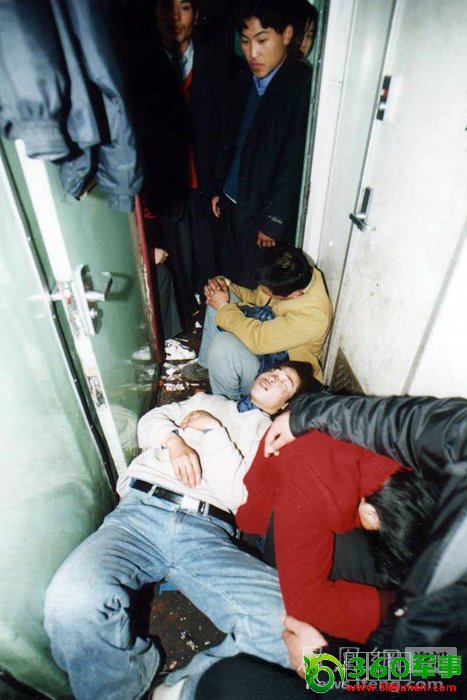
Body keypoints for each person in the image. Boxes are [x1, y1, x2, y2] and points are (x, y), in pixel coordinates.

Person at [44, 361, 317, 700]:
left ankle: (183, 688)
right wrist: (174, 441)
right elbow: (150, 421)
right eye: (275, 370)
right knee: (70, 601)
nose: (274, 376)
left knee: (289, 622)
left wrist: (214, 432)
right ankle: (124, 687)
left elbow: (239, 496)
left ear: (286, 404)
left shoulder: (273, 438)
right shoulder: (207, 401)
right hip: (139, 513)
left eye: (286, 382)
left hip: (205, 530)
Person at [193, 394, 460, 699]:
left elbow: (441, 670)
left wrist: (329, 667)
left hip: (420, 666)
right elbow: (406, 421)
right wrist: (305, 415)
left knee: (227, 682)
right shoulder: (320, 470)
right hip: (285, 511)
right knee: (228, 679)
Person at [133, 0, 232, 322]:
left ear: (197, 15)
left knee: (209, 253)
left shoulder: (218, 61)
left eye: (185, 7)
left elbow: (228, 127)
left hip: (208, 180)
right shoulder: (140, 63)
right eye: (166, 6)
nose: (174, 17)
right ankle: (186, 319)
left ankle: (213, 316)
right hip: (165, 184)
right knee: (176, 257)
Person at [211, 0, 313, 286]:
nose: (252, 53)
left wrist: (274, 220)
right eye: (245, 41)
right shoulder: (245, 76)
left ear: (287, 35)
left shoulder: (301, 84)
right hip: (231, 200)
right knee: (226, 274)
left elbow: (294, 161)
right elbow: (231, 138)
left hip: (261, 214)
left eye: (262, 40)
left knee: (255, 283)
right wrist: (219, 187)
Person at [182, 246, 332, 399]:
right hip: (267, 345)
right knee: (219, 297)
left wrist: (223, 307)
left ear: (295, 295)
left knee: (222, 344)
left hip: (276, 373)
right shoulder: (296, 272)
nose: (261, 289)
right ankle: (209, 365)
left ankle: (227, 403)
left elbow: (258, 340)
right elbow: (256, 299)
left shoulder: (314, 315)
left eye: (267, 291)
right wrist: (225, 285)